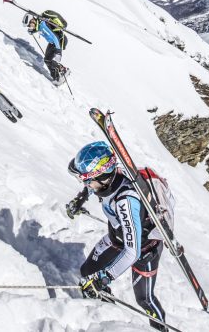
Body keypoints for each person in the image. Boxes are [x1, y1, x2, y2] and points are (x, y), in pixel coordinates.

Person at [67, 141, 167, 331]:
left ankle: (161, 329)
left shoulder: (125, 202)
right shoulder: (109, 179)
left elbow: (132, 252)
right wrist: (80, 199)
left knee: (145, 299)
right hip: (116, 239)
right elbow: (91, 186)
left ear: (103, 177)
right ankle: (104, 312)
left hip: (145, 251)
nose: (85, 183)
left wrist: (104, 278)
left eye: (87, 179)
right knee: (87, 272)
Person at [24, 10, 69, 84]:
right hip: (53, 43)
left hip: (59, 41)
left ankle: (61, 72)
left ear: (33, 20)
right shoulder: (39, 24)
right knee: (47, 60)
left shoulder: (43, 25)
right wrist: (32, 31)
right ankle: (59, 75)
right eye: (29, 26)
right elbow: (38, 28)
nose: (30, 27)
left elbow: (55, 37)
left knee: (48, 60)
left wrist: (58, 52)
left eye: (30, 25)